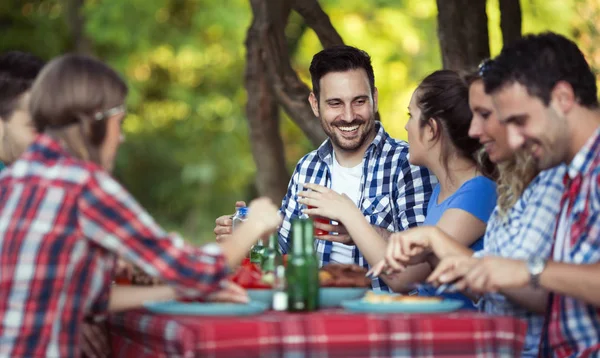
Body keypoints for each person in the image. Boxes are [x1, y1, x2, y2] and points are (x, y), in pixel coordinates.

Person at [0, 54, 282, 358]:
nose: (120, 138)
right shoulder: (84, 185)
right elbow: (194, 270)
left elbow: (84, 296)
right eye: (118, 123)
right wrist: (253, 225)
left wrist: (182, 289)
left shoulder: (15, 178)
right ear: (94, 124)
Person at [420, 33, 600, 357]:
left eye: (520, 121)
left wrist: (529, 270)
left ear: (562, 98)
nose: (514, 139)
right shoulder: (577, 174)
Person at [214, 45, 437, 291]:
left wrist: (354, 223)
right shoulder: (307, 168)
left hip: (383, 320)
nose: (349, 115)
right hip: (315, 316)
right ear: (315, 104)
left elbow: (421, 262)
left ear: (374, 98)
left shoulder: (408, 163)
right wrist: (251, 236)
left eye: (359, 101)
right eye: (335, 103)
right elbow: (284, 255)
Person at [298, 70, 497, 309]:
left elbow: (404, 277)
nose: (405, 126)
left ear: (431, 129)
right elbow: (418, 252)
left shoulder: (478, 193)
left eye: (411, 116)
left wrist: (349, 214)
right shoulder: (444, 191)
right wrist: (358, 231)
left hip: (459, 339)